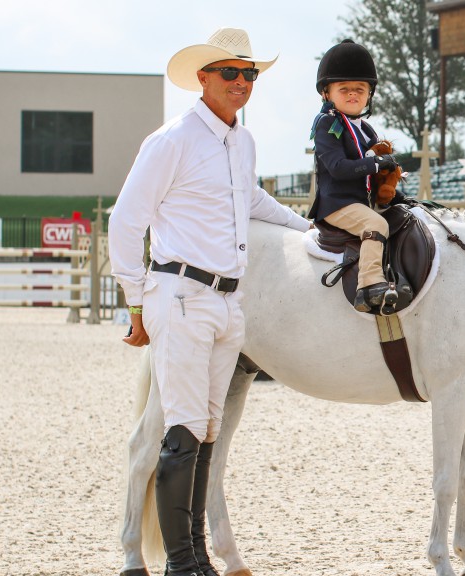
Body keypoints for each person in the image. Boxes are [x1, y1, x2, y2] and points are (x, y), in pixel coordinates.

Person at [108, 28, 310, 576]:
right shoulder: (171, 140)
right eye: (230, 73)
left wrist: (308, 230)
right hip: (179, 293)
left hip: (226, 299)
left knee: (209, 432)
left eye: (249, 75)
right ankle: (179, 563)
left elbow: (253, 197)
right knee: (181, 429)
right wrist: (134, 302)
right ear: (203, 78)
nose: (242, 83)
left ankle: (195, 554)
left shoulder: (241, 143)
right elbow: (125, 222)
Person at [308, 39, 403, 313]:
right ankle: (369, 284)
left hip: (361, 201)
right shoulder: (327, 125)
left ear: (369, 94)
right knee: (376, 225)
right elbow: (338, 168)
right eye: (345, 89)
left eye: (359, 90)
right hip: (337, 204)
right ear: (327, 93)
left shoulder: (366, 130)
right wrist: (374, 164)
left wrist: (398, 196)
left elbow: (375, 177)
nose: (353, 95)